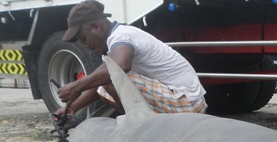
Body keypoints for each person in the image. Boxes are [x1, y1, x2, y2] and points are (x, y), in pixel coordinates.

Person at [54, 0, 207, 119]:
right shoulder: (115, 42)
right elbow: (98, 84)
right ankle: (142, 125)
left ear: (96, 27)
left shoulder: (120, 36)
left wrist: (77, 86)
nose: (85, 45)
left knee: (112, 78)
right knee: (103, 85)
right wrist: (72, 108)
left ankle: (140, 128)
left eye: (84, 38)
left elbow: (120, 67)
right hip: (183, 101)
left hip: (187, 103)